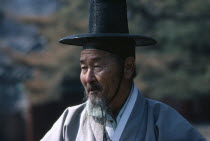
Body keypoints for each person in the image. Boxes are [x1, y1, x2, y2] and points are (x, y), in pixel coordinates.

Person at [41, 0, 206, 140]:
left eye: (97, 66)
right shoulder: (69, 123)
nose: (88, 78)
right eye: (84, 67)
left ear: (128, 67)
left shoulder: (162, 122)